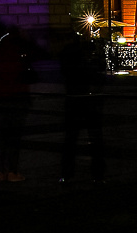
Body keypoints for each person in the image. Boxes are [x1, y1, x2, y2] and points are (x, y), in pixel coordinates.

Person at [58, 32, 107, 183]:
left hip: (73, 98)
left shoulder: (67, 54)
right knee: (95, 138)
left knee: (70, 139)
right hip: (90, 99)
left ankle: (67, 173)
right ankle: (98, 174)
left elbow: (65, 72)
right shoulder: (90, 55)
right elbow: (100, 73)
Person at [0, 31, 33, 182]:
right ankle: (13, 171)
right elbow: (25, 72)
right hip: (18, 97)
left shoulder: (1, 50)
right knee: (15, 136)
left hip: (2, 96)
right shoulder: (20, 52)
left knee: (3, 136)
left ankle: (0, 171)